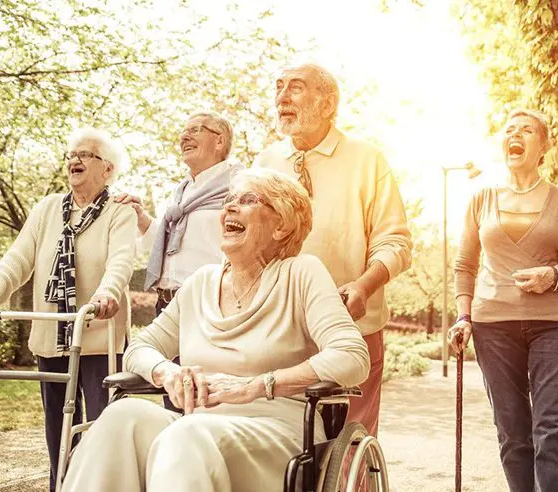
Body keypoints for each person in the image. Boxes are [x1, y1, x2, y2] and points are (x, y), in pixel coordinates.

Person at [61, 168, 370, 492]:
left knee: (187, 436)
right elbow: (140, 348)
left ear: (281, 225)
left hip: (276, 433)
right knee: (120, 418)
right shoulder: (200, 282)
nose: (230, 208)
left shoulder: (301, 273)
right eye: (228, 200)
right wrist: (167, 373)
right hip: (196, 431)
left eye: (248, 200)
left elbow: (351, 356)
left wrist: (256, 386)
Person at [0, 127, 137, 492]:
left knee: (100, 422)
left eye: (86, 154)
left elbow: (121, 261)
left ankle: (98, 485)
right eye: (71, 153)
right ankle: (60, 484)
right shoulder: (48, 209)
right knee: (57, 423)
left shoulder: (119, 212)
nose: (75, 159)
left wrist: (105, 296)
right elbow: (19, 258)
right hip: (51, 331)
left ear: (108, 169)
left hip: (97, 336)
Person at [254, 63, 412, 436]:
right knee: (279, 436)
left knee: (348, 439)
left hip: (349, 323)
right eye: (279, 88)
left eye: (295, 88)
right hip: (279, 323)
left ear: (327, 103)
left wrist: (364, 286)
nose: (282, 97)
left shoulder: (366, 159)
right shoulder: (266, 163)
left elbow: (396, 242)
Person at [449, 109, 558, 492]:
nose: (516, 135)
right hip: (492, 325)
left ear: (544, 145)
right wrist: (463, 316)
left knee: (553, 428)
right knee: (512, 431)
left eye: (527, 130)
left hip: (556, 323)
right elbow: (465, 264)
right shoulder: (481, 199)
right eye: (510, 130)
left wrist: (557, 274)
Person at [116, 112, 242, 315]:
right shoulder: (180, 192)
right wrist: (140, 215)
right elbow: (167, 239)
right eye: (183, 132)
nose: (184, 137)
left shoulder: (239, 186)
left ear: (219, 141)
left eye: (195, 130)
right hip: (166, 303)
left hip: (210, 302)